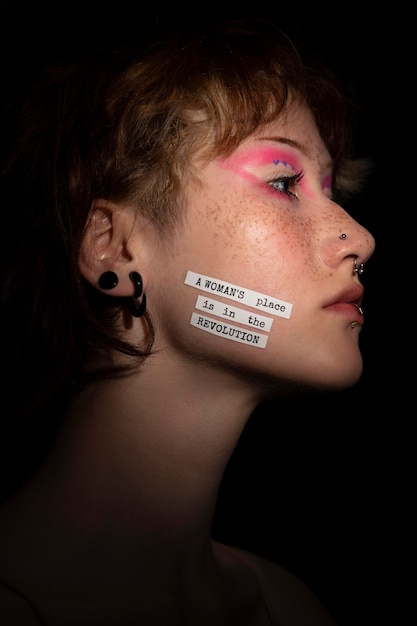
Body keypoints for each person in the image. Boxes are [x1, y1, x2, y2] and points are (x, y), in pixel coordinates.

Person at [0, 14, 375, 626]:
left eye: (333, 193)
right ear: (114, 248)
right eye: (284, 182)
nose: (360, 238)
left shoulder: (289, 608)